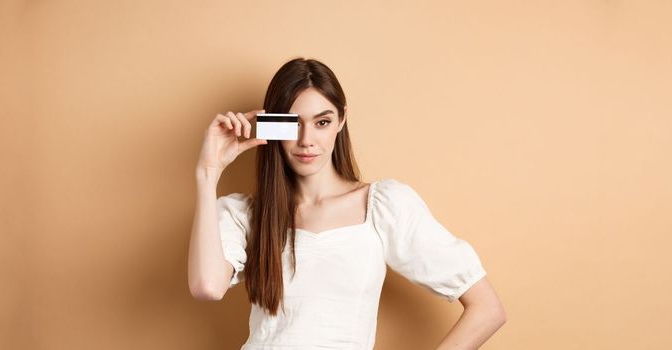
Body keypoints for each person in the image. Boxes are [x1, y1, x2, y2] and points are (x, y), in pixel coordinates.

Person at [188, 57, 506, 349]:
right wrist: (207, 172)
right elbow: (207, 287)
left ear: (341, 120)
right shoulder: (248, 215)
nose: (306, 140)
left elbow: (487, 309)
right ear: (273, 125)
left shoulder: (381, 206)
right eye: (293, 123)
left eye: (322, 122)